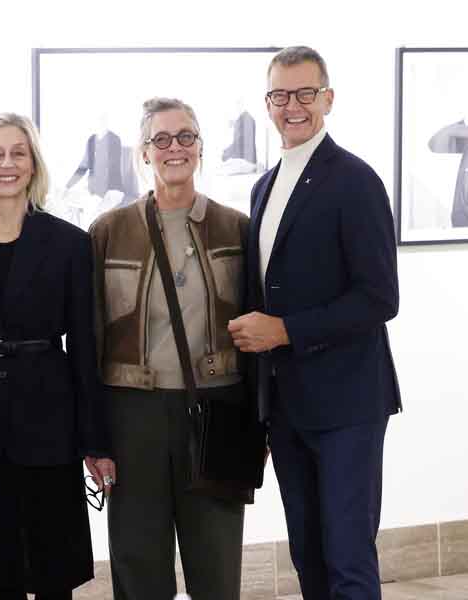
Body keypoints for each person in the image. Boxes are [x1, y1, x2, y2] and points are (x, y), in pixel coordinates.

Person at [229, 46, 400, 600]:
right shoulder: (263, 186)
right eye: (281, 95)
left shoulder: (356, 180)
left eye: (306, 93)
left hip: (348, 404)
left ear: (328, 98)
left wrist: (285, 330)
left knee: (348, 558)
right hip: (287, 407)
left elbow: (379, 298)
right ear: (267, 104)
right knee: (308, 555)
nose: (293, 106)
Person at [0, 113, 114, 600]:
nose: (6, 164)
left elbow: (85, 346)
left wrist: (95, 440)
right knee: (1, 570)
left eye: (18, 153)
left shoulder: (69, 243)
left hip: (50, 418)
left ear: (33, 165)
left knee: (53, 569)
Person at [90, 98, 252, 600]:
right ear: (144, 152)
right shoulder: (109, 231)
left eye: (185, 136)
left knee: (216, 567)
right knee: (139, 566)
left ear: (200, 147)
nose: (173, 147)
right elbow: (89, 340)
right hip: (133, 416)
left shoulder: (236, 228)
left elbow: (257, 335)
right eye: (160, 139)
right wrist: (94, 438)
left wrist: (262, 422)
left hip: (218, 411)